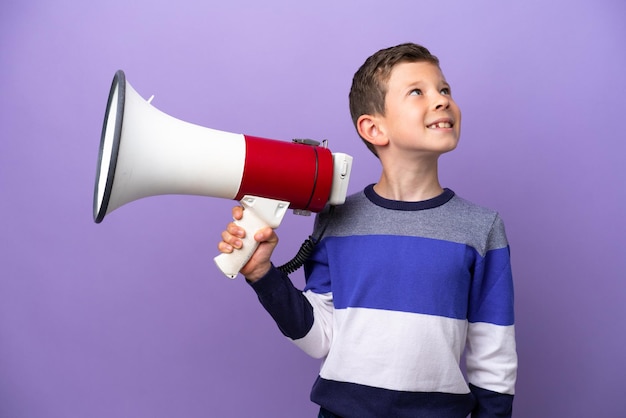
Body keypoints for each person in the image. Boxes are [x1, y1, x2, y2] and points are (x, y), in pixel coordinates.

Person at [218, 43, 517, 418]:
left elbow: (494, 352)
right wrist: (263, 275)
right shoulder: (337, 219)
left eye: (444, 90)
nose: (441, 101)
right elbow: (319, 338)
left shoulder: (481, 227)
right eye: (417, 92)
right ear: (374, 128)